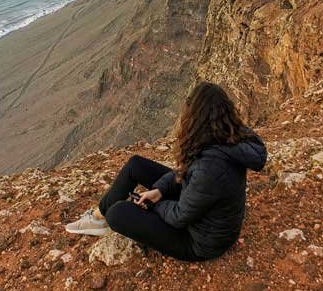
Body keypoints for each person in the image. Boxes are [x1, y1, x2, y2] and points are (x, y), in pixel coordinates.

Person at [65, 81, 267, 261]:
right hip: (203, 208)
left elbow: (179, 216)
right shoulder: (228, 134)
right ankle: (99, 217)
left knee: (118, 213)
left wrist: (155, 204)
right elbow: (189, 172)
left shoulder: (211, 168)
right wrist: (160, 190)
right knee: (136, 165)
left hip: (199, 241)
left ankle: (106, 216)